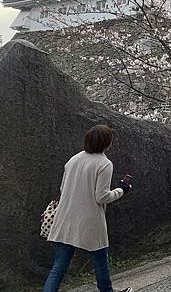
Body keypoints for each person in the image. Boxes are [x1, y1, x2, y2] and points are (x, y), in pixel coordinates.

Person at [43, 125, 133, 292]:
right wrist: (122, 190)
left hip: (65, 217)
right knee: (100, 260)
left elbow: (63, 189)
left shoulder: (73, 159)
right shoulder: (104, 164)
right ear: (107, 143)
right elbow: (102, 197)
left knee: (58, 267)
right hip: (90, 220)